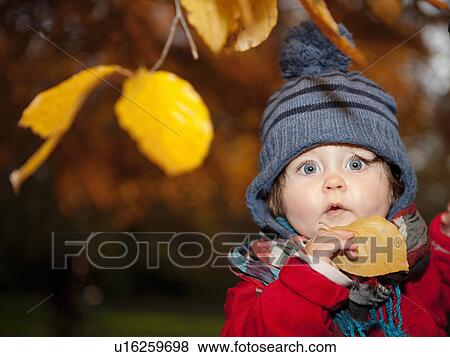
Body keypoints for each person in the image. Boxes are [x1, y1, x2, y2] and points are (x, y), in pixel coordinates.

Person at [220, 21, 450, 337]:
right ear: (276, 197)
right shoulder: (264, 277)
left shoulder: (418, 258)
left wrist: (445, 246)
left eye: (355, 164)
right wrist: (310, 279)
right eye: (309, 168)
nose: (333, 182)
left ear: (394, 183)